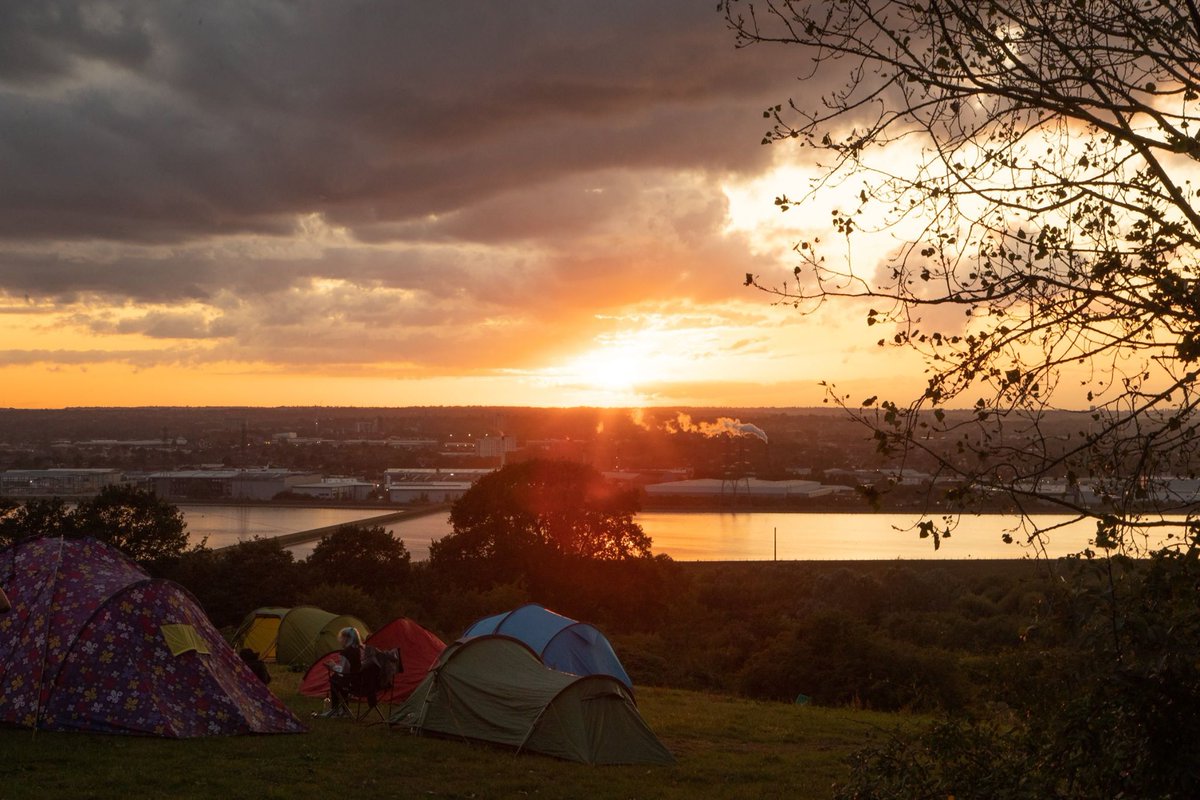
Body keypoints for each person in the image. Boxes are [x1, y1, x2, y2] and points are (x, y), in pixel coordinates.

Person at [324, 626, 374, 718]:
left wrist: (333, 666)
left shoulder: (346, 652)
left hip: (355, 684)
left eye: (341, 638)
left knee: (335, 679)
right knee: (341, 680)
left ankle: (336, 710)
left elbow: (344, 671)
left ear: (347, 638)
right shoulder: (364, 649)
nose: (340, 640)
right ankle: (344, 710)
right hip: (368, 684)